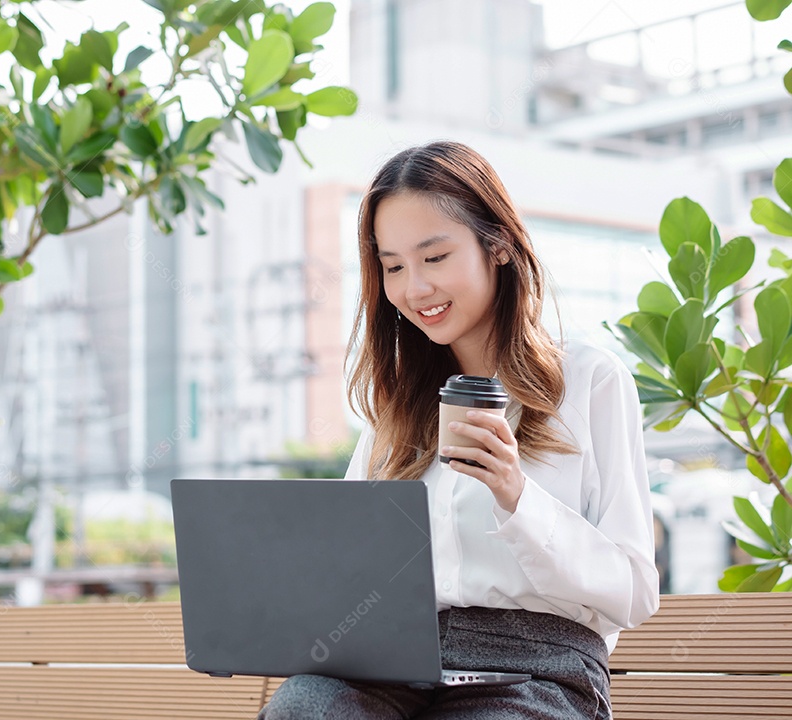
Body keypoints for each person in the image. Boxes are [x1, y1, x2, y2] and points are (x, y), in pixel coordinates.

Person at [258, 141, 659, 720]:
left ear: (496, 245)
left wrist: (516, 495)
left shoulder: (590, 380)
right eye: (393, 266)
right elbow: (344, 569)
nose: (414, 289)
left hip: (535, 669)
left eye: (435, 257)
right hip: (389, 663)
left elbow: (634, 590)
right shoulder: (397, 407)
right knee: (307, 710)